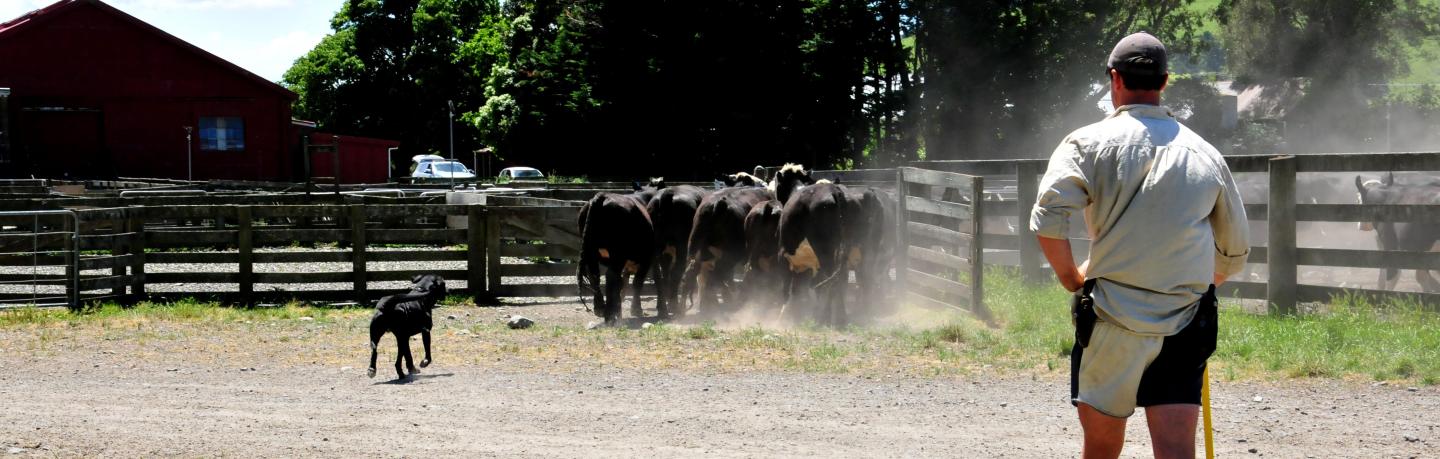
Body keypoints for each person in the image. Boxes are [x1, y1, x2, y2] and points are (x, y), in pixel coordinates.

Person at [1029, 32, 1250, 459]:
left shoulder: (1085, 144)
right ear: (1165, 82)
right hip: (1186, 321)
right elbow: (1235, 249)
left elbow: (1050, 218)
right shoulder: (1205, 153)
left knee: (1102, 446)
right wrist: (1205, 284)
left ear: (1114, 78)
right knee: (1174, 448)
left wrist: (1072, 279)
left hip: (1111, 318)